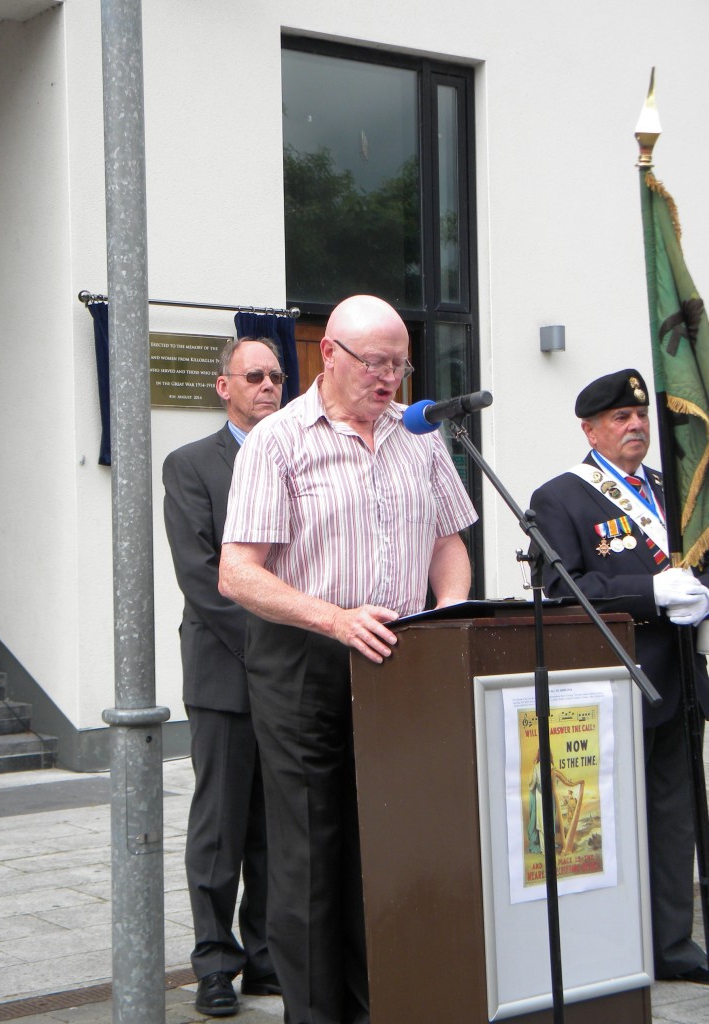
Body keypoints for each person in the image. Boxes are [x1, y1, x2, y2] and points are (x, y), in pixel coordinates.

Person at [218, 294, 478, 1024]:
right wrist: (333, 618)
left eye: (400, 362)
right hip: (306, 658)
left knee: (389, 837)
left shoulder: (418, 434)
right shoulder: (279, 441)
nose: (390, 377)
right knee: (310, 853)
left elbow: (449, 541)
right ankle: (316, 1014)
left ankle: (381, 1004)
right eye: (376, 362)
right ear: (328, 353)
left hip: (401, 657)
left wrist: (447, 609)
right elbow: (237, 572)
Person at [530, 367, 709, 984]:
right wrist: (652, 592)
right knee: (603, 818)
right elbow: (563, 586)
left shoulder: (672, 487)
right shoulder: (562, 497)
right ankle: (610, 941)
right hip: (613, 677)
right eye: (620, 419)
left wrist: (701, 592)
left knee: (673, 815)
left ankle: (672, 943)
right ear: (590, 430)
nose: (636, 426)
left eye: (640, 418)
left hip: (681, 676)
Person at [163, 337, 285, 1017]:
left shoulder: (293, 458)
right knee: (220, 828)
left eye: (276, 376)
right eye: (256, 376)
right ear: (224, 387)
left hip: (291, 674)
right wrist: (270, 645)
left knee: (276, 827)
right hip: (228, 672)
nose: (269, 385)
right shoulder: (190, 466)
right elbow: (203, 578)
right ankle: (215, 962)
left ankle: (266, 958)